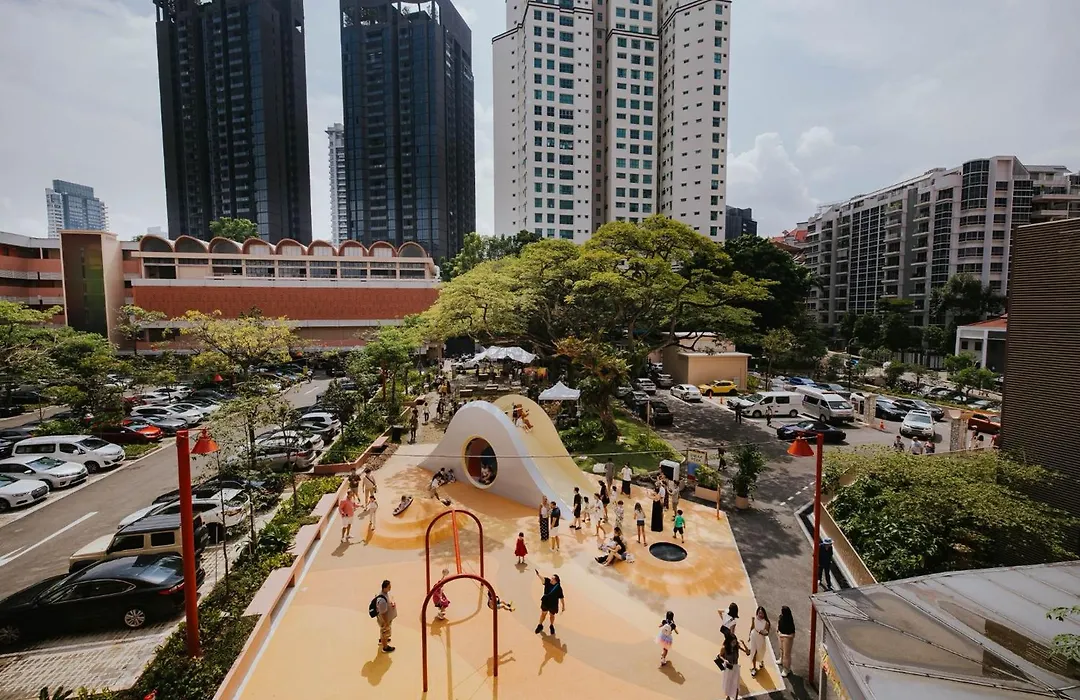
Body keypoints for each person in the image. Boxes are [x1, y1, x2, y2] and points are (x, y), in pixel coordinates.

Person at [719, 626, 749, 700]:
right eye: (733, 642)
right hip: (728, 668)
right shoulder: (724, 648)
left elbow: (747, 652)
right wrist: (725, 660)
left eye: (735, 642)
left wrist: (744, 644)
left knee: (736, 684)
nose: (734, 643)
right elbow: (720, 656)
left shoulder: (736, 647)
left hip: (735, 667)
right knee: (728, 684)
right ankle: (728, 697)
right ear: (729, 642)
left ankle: (735, 698)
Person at [534, 570, 564, 635]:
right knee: (543, 614)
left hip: (553, 604)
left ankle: (551, 626)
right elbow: (543, 579)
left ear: (556, 581)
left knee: (552, 615)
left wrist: (563, 606)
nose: (551, 579)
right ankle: (540, 625)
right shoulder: (547, 581)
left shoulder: (558, 588)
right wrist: (538, 575)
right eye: (551, 578)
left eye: (553, 579)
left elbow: (561, 597)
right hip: (545, 602)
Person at [746, 606, 771, 677]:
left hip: (761, 639)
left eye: (762, 613)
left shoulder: (766, 623)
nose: (760, 614)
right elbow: (752, 627)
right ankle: (754, 668)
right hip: (753, 637)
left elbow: (766, 633)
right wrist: (749, 636)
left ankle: (761, 661)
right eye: (759, 613)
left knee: (760, 652)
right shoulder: (754, 619)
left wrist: (761, 632)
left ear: (764, 614)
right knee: (753, 652)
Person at [374, 580, 397, 653]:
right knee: (385, 631)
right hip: (385, 619)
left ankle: (383, 640)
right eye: (389, 587)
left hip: (384, 617)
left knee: (383, 630)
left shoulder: (383, 594)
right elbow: (383, 613)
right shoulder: (382, 600)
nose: (390, 588)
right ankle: (385, 647)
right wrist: (386, 622)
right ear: (384, 588)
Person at [776, 605, 795, 678]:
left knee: (786, 654)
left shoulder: (790, 621)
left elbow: (792, 635)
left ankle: (786, 669)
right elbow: (778, 622)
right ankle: (781, 660)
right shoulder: (781, 617)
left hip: (787, 638)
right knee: (781, 649)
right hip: (780, 634)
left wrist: (783, 635)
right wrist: (778, 630)